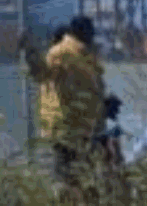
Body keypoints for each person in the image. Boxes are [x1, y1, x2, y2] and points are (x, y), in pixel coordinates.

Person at [32, 16, 105, 202]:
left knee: (85, 179)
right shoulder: (61, 53)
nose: (93, 36)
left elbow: (95, 88)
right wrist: (31, 57)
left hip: (86, 128)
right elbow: (43, 74)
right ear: (83, 33)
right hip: (66, 129)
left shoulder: (86, 54)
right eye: (91, 33)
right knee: (67, 179)